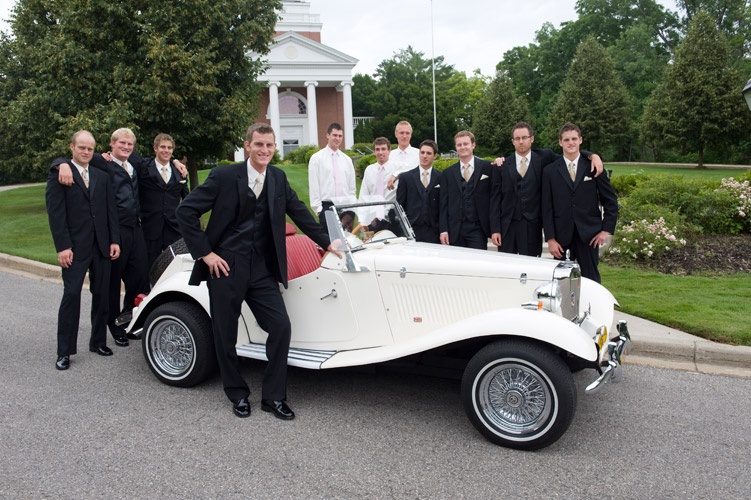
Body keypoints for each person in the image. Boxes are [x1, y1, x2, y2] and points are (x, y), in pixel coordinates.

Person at [176, 123, 340, 420]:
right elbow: (185, 211)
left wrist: (327, 241)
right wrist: (206, 253)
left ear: (274, 147)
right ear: (247, 145)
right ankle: (237, 393)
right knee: (225, 333)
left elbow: (299, 211)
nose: (264, 150)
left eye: (269, 145)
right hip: (225, 266)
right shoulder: (224, 176)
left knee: (280, 326)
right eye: (259, 144)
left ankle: (273, 397)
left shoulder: (277, 177)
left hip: (262, 268)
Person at [52, 128, 150, 348]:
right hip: (106, 233)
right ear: (111, 144)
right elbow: (74, 158)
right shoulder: (100, 162)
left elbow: (155, 161)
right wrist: (60, 164)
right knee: (103, 286)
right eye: (121, 143)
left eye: (129, 144)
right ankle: (109, 329)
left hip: (130, 231)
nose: (126, 147)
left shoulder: (133, 162)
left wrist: (176, 163)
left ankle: (124, 323)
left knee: (137, 280)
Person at [46, 130, 121, 370]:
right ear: (72, 147)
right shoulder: (60, 174)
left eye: (90, 148)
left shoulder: (102, 176)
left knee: (102, 295)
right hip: (74, 248)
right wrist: (63, 247)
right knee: (71, 296)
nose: (86, 152)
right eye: (82, 148)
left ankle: (98, 342)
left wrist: (114, 240)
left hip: (102, 246)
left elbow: (110, 211)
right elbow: (56, 214)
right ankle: (65, 351)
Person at [490, 122, 603, 257]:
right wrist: (495, 229)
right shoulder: (502, 165)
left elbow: (570, 154)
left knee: (531, 266)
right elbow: (495, 199)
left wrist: (593, 156)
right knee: (507, 266)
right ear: (513, 141)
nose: (521, 141)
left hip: (533, 226)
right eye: (517, 138)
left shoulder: (545, 157)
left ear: (532, 139)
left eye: (524, 137)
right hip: (507, 227)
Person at [541, 123, 618, 283]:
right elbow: (546, 208)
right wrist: (551, 239)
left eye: (574, 139)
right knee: (562, 282)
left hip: (589, 235)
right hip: (562, 237)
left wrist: (606, 230)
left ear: (580, 140)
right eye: (566, 140)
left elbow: (610, 201)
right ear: (560, 142)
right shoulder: (549, 171)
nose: (571, 143)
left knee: (591, 280)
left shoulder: (594, 167)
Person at [134, 133, 189, 271]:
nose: (166, 150)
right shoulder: (144, 167)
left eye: (169, 148)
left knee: (176, 268)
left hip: (174, 228)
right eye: (163, 147)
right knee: (149, 268)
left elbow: (187, 199)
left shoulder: (179, 172)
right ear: (155, 148)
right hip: (150, 228)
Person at [439, 131, 498, 249]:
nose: (462, 147)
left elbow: (494, 198)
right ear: (456, 147)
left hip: (478, 228)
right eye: (459, 145)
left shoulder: (488, 168)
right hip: (455, 229)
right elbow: (443, 204)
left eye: (465, 144)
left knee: (477, 260)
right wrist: (443, 230)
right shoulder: (448, 173)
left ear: (473, 145)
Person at [308, 123, 356, 232]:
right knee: (329, 240)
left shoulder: (347, 160)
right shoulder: (317, 158)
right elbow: (314, 185)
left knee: (347, 239)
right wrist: (318, 210)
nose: (337, 138)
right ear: (328, 135)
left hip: (346, 206)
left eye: (340, 136)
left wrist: (351, 207)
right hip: (327, 207)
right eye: (334, 135)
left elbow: (352, 187)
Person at [396, 139, 441, 243]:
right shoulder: (405, 177)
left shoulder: (441, 177)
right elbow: (400, 206)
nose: (424, 156)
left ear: (434, 156)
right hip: (411, 229)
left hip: (433, 231)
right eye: (422, 152)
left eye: (428, 153)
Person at [358, 137, 396, 228]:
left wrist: (395, 175)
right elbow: (364, 195)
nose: (380, 152)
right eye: (377, 149)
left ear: (389, 151)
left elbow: (412, 168)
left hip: (390, 216)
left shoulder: (396, 167)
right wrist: (361, 218)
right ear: (374, 152)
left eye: (383, 149)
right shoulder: (369, 170)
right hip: (372, 218)